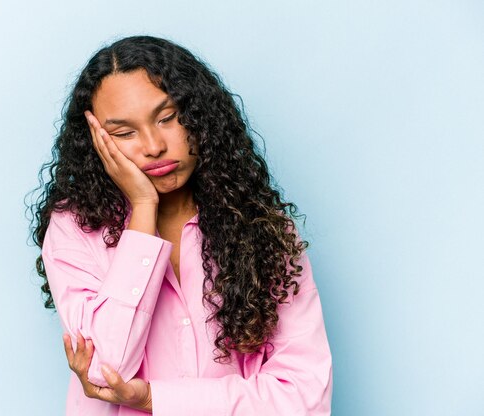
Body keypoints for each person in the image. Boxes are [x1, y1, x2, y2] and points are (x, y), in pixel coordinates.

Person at [29, 35, 333, 415]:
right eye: (124, 133)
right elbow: (105, 371)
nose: (154, 145)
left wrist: (154, 398)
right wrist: (143, 207)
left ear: (199, 117)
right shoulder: (74, 229)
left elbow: (304, 397)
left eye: (168, 118)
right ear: (96, 141)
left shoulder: (263, 231)